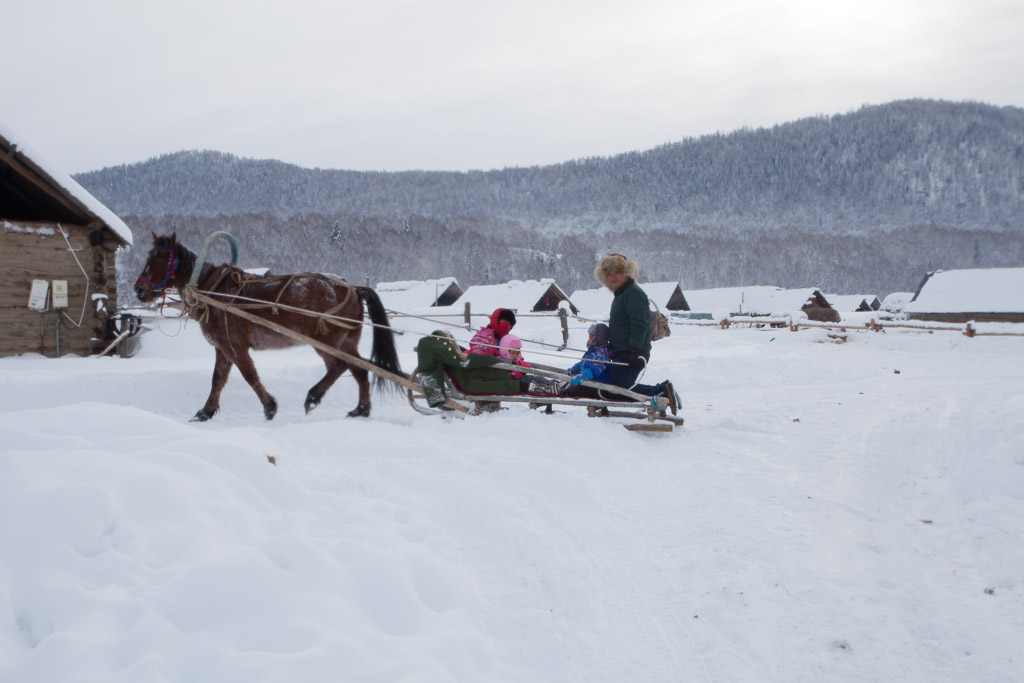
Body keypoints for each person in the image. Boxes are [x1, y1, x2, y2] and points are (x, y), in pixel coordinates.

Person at [594, 253, 680, 415]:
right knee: (615, 388)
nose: (612, 277)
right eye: (609, 274)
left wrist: (635, 349)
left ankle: (662, 392)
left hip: (632, 352)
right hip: (623, 352)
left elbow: (640, 323)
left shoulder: (633, 293)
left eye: (617, 272)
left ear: (626, 273)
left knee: (619, 390)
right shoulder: (622, 294)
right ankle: (661, 393)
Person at [414, 330, 559, 410]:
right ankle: (556, 387)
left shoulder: (463, 357)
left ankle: (556, 386)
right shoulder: (462, 360)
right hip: (508, 377)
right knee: (533, 381)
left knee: (536, 378)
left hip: (508, 374)